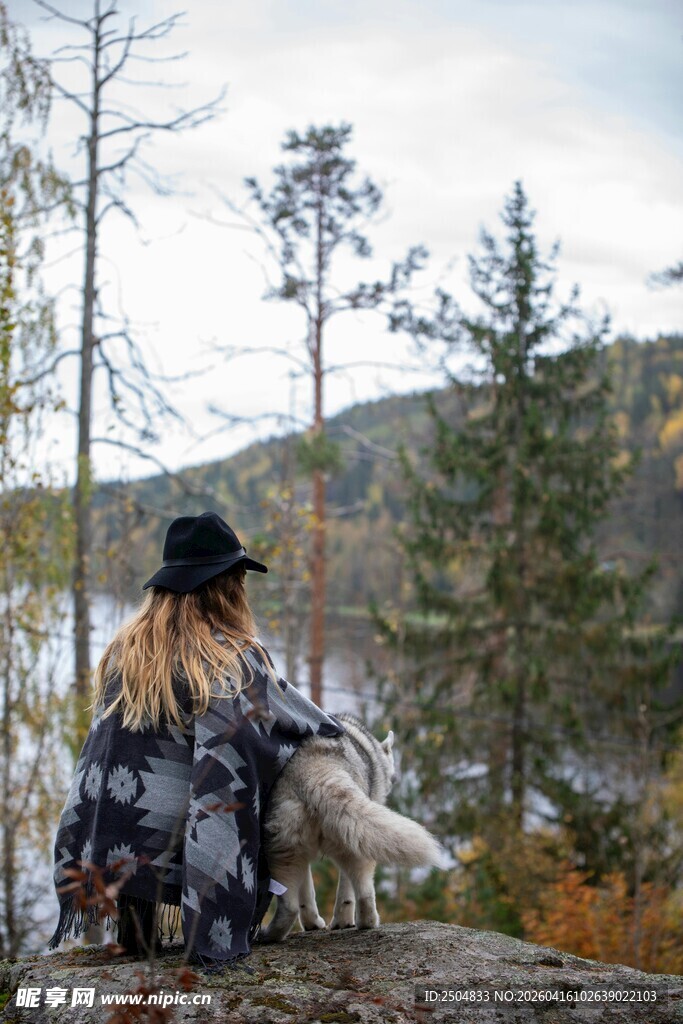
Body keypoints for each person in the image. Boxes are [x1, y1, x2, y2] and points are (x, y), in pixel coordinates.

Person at [47, 511, 344, 969]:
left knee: (154, 790)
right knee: (249, 780)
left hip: (120, 835)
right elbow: (298, 725)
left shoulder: (125, 650)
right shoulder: (235, 657)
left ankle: (135, 934)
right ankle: (197, 931)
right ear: (227, 586)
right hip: (188, 842)